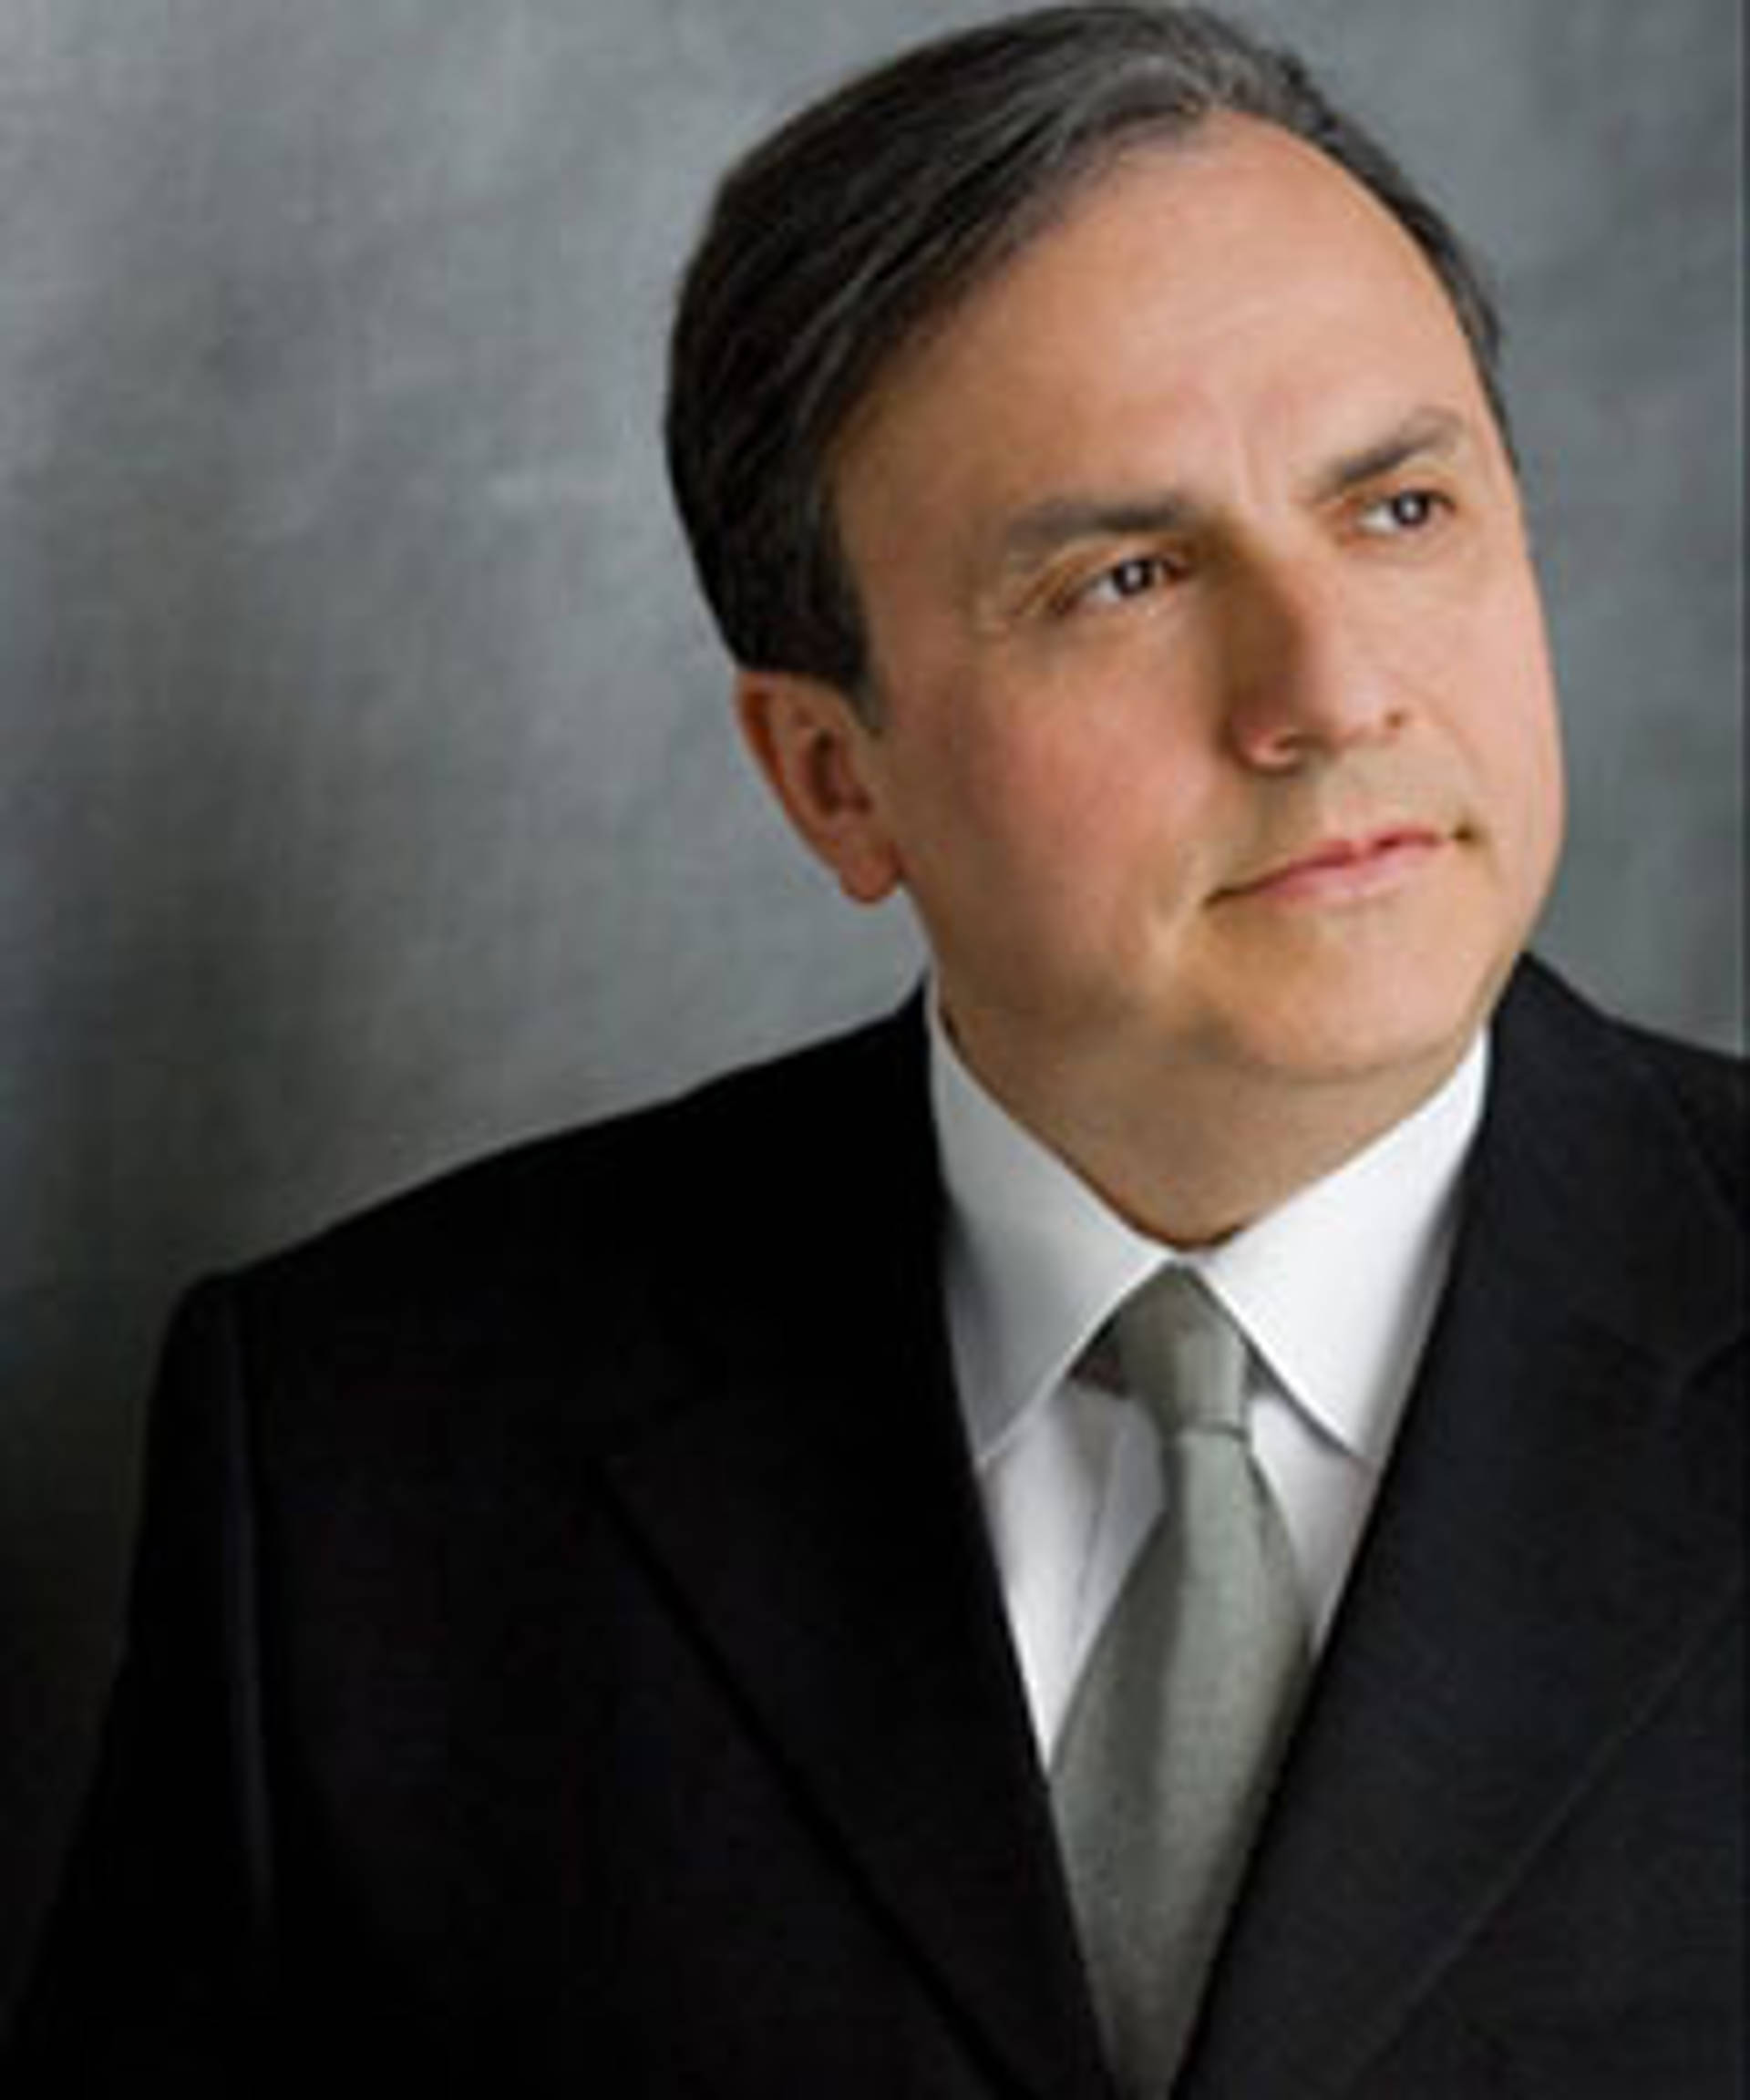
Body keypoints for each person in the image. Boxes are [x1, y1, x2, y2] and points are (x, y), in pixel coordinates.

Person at [6, 5, 1742, 2095]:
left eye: (1397, 513)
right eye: (1128, 574)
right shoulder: (358, 1466)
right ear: (835, 778)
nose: (1328, 691)